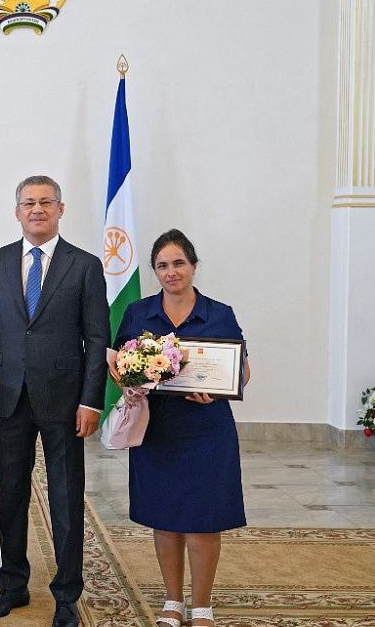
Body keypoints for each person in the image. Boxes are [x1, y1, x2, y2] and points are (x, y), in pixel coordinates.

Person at [0, 175, 109, 627]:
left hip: (65, 401)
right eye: (29, 203)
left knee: (66, 499)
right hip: (9, 397)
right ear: (17, 211)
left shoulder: (85, 265)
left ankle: (67, 595)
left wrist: (92, 401)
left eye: (46, 202)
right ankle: (12, 585)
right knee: (11, 496)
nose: (37, 209)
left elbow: (97, 337)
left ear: (60, 209)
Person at [110, 229, 250, 627]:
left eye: (178, 263)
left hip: (207, 430)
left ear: (193, 265)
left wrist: (217, 392)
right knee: (165, 516)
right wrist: (130, 384)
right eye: (162, 266)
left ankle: (202, 605)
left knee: (204, 518)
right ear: (155, 271)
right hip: (157, 430)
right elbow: (119, 365)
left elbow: (242, 370)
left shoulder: (219, 313)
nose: (171, 272)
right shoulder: (137, 313)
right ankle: (172, 601)